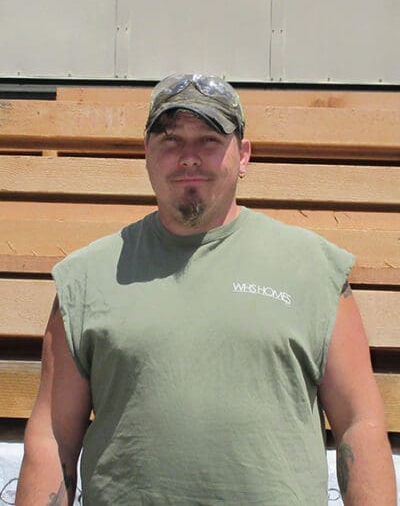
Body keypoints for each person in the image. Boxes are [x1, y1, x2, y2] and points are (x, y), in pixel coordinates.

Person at [16, 74, 396, 506]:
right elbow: (52, 438)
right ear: (147, 154)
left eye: (210, 140)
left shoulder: (314, 271)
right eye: (170, 139)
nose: (189, 157)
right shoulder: (86, 279)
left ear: (244, 155)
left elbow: (358, 426)